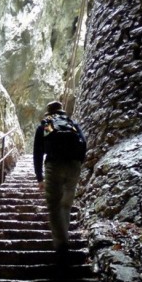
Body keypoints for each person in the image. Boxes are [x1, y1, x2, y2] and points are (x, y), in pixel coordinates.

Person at [32, 101, 87, 260]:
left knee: (54, 204)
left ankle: (62, 243)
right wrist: (77, 163)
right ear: (62, 112)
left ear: (49, 113)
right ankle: (64, 236)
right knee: (66, 204)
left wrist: (39, 177)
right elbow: (83, 143)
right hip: (73, 166)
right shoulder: (72, 124)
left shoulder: (47, 125)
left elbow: (38, 152)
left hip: (54, 165)